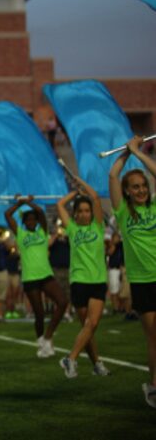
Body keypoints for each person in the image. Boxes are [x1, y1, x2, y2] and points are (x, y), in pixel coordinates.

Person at [109, 136, 156, 408]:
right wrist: (126, 153)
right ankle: (153, 384)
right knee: (152, 337)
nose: (140, 190)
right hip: (141, 281)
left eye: (143, 186)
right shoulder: (123, 214)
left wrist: (138, 152)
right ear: (127, 192)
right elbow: (114, 175)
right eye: (135, 187)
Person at [56, 177, 110, 378]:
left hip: (97, 280)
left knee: (92, 324)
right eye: (80, 211)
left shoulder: (98, 225)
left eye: (87, 211)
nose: (85, 214)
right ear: (75, 214)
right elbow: (60, 204)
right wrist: (75, 193)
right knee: (87, 329)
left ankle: (70, 359)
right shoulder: (72, 229)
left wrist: (82, 184)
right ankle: (97, 364)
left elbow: (95, 197)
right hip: (78, 281)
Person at [5, 195, 66, 358]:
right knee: (39, 314)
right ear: (24, 222)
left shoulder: (43, 231)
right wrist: (20, 203)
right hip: (30, 278)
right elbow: (7, 215)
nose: (32, 221)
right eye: (28, 219)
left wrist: (29, 202)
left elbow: (40, 213)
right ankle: (41, 342)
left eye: (34, 219)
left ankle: (47, 337)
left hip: (46, 275)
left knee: (62, 302)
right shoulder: (21, 234)